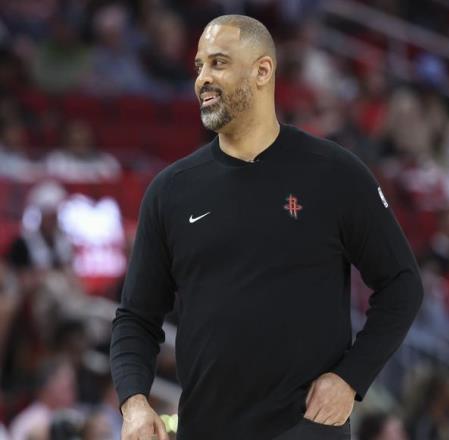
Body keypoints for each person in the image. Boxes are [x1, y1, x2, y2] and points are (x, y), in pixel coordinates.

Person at [110, 14, 423, 440]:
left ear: (262, 71)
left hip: (306, 430)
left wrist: (350, 378)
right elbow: (136, 318)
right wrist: (133, 402)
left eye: (218, 63)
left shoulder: (334, 173)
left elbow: (402, 284)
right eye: (199, 66)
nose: (202, 78)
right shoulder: (171, 190)